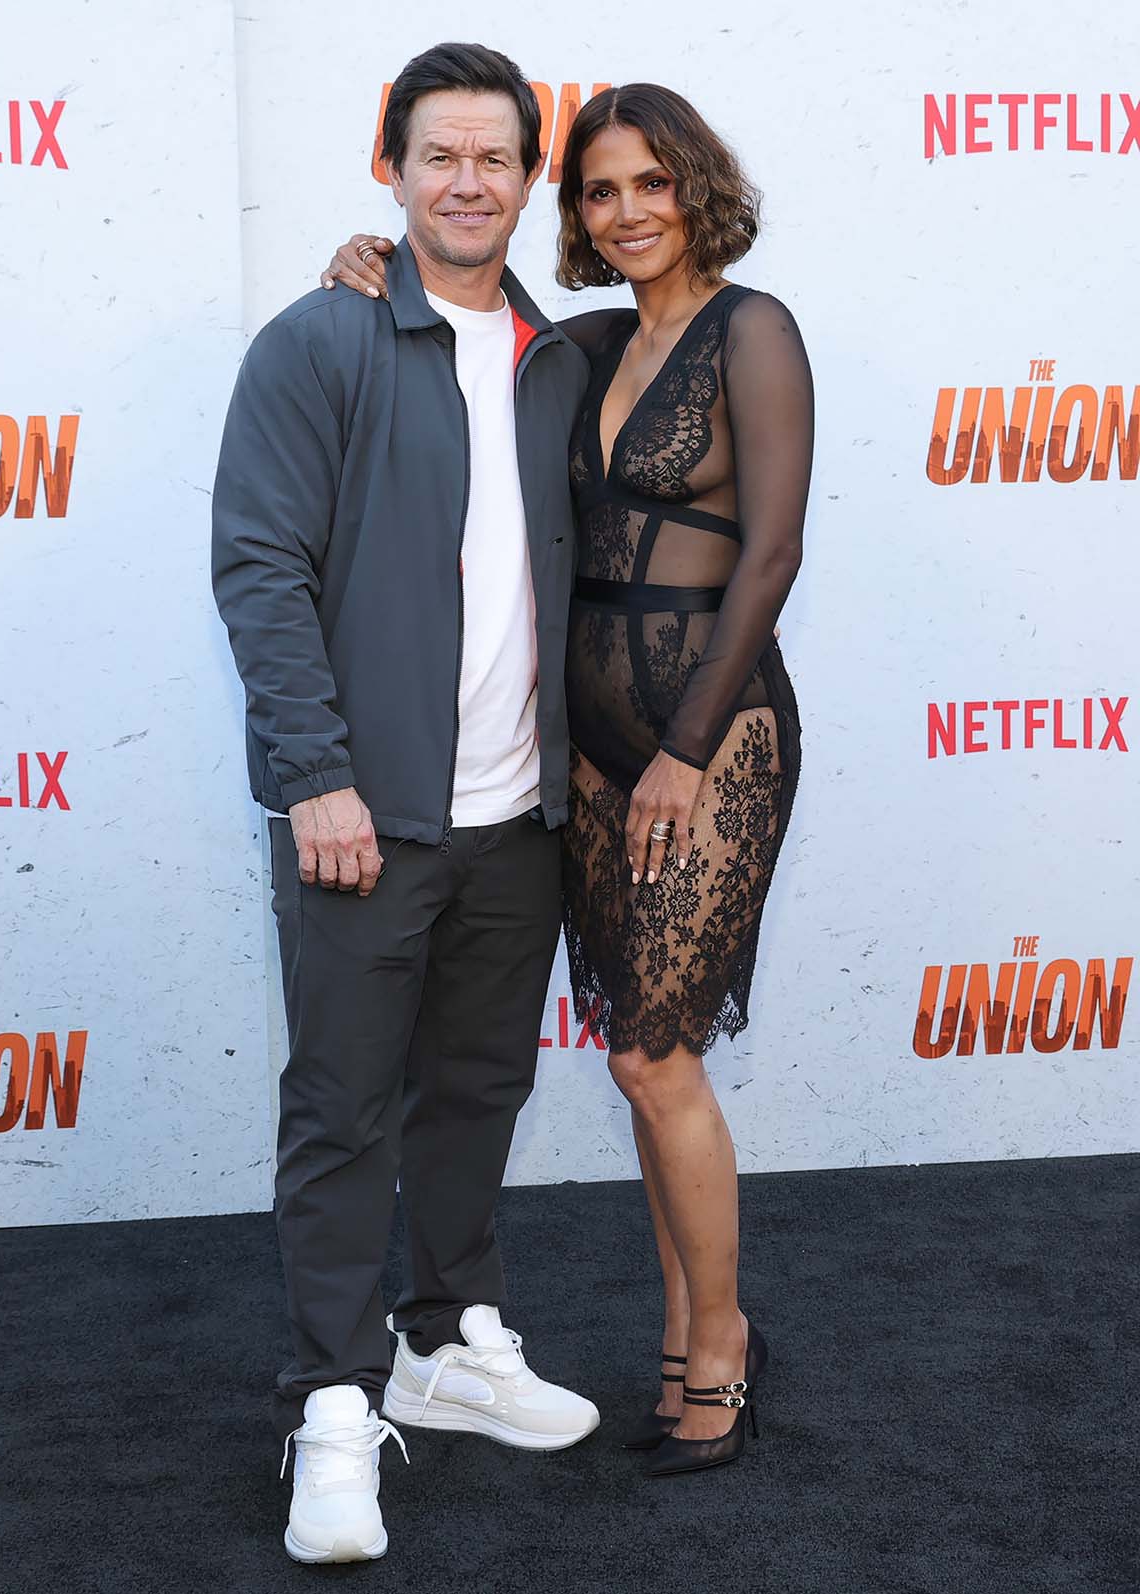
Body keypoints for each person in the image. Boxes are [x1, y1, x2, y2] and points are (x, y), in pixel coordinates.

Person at [324, 81, 813, 1480]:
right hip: (589, 763)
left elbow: (767, 560)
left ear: (695, 186)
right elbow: (466, 322)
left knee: (656, 1055)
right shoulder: (589, 340)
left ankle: (720, 1351)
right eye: (599, 190)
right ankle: (681, 1334)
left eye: (652, 183)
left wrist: (682, 751)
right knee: (641, 1055)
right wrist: (362, 266)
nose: (627, 211)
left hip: (706, 750)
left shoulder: (752, 330)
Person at [211, 42, 600, 1567]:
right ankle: (328, 1402)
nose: (468, 181)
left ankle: (444, 1341)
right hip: (363, 817)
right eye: (439, 154)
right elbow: (260, 565)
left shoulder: (558, 359)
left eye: (496, 156)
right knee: (340, 1112)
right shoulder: (321, 342)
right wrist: (314, 771)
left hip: (518, 825)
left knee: (475, 1094)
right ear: (392, 163)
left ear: (529, 174)